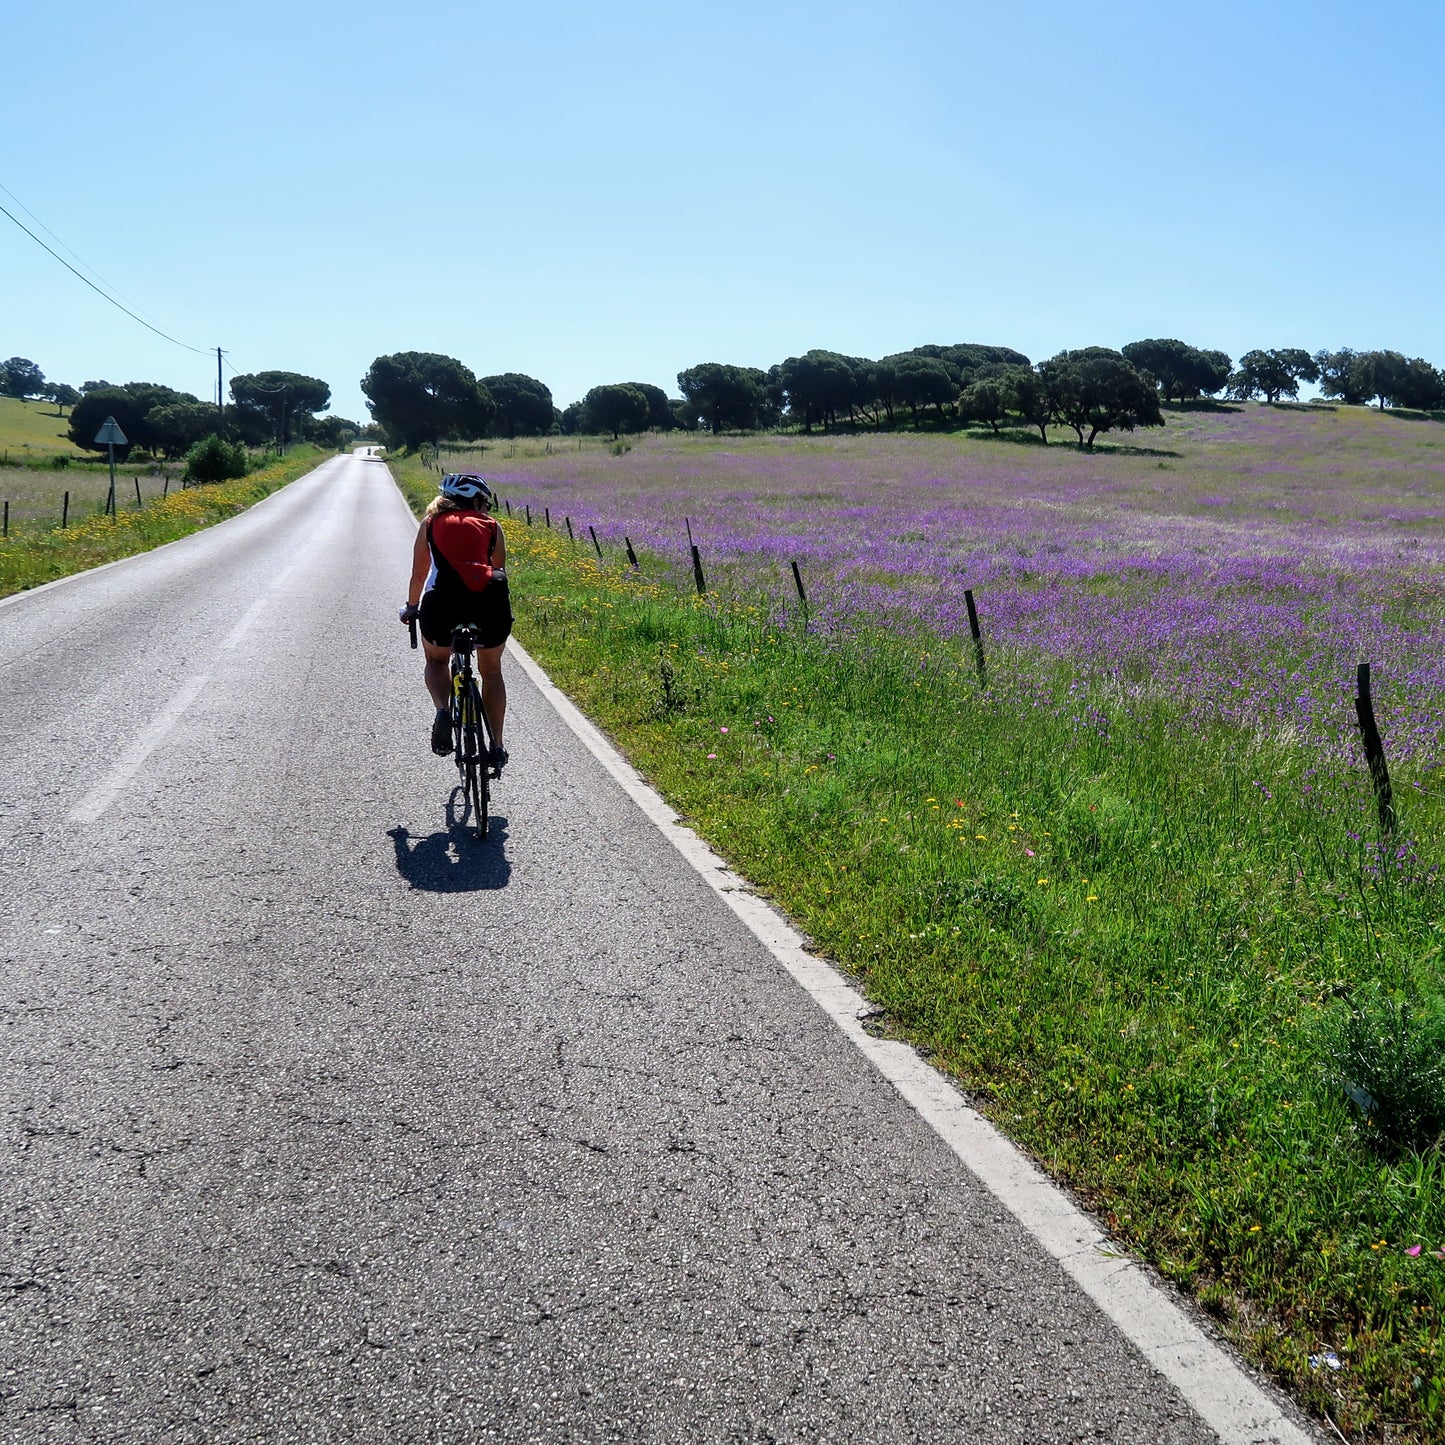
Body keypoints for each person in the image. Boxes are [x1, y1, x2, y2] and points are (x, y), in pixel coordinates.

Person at [400, 472, 512, 770]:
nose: (486, 509)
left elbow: (419, 573)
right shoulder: (492, 526)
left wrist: (411, 607)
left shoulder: (430, 523)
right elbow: (497, 567)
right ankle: (497, 746)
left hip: (442, 602)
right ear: (476, 501)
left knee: (437, 661)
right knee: (492, 672)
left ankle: (442, 710)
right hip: (489, 601)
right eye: (484, 503)